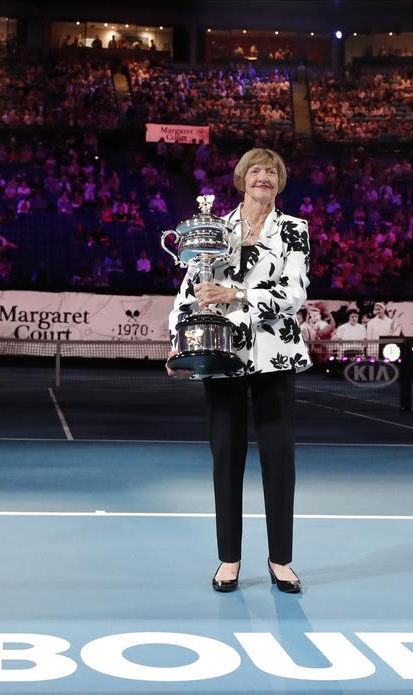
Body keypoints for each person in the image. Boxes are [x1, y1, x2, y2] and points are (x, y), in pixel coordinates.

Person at [166, 148, 310, 594]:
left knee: (278, 460)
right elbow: (190, 291)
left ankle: (280, 561)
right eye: (255, 171)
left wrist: (237, 295)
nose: (262, 177)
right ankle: (228, 560)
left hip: (274, 355)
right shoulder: (214, 229)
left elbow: (295, 292)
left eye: (270, 171)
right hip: (221, 356)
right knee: (226, 459)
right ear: (241, 179)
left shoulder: (294, 230)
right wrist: (178, 344)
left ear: (279, 182)